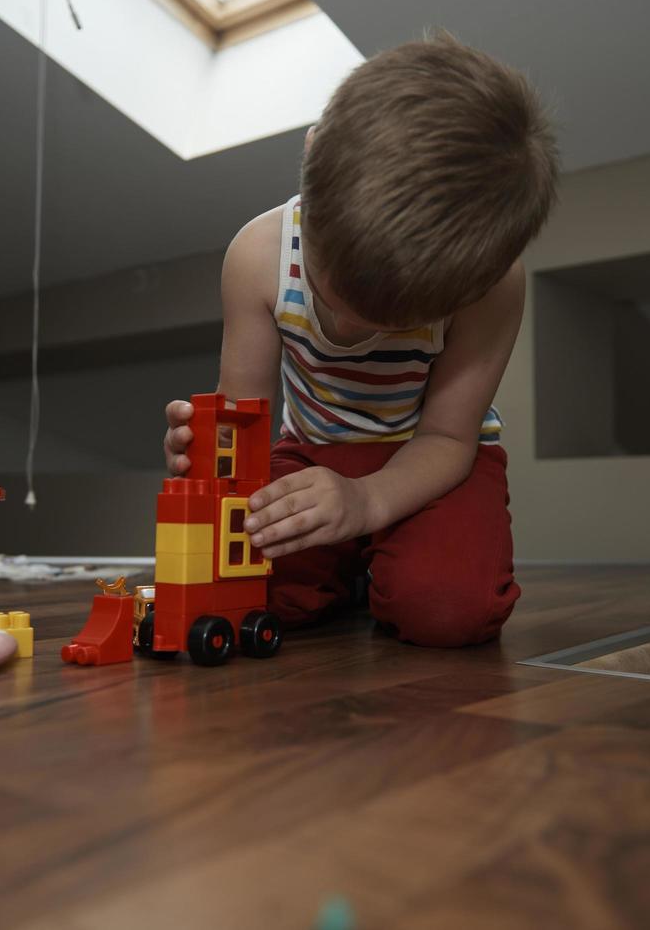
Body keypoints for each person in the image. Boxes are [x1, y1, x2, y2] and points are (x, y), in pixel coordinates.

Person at [163, 33, 559, 647]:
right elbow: (245, 426)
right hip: (311, 448)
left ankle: (372, 552)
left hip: (432, 458)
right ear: (312, 150)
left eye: (389, 320)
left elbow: (449, 438)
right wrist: (205, 458)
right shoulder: (258, 256)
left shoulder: (495, 287)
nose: (348, 330)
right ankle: (353, 568)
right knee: (245, 588)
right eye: (331, 294)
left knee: (449, 613)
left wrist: (368, 502)